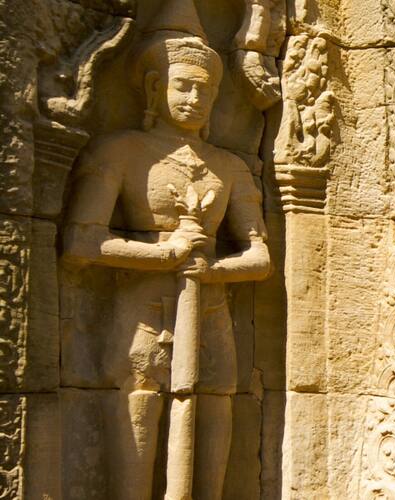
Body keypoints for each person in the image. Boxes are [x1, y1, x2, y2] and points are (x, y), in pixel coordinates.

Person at [62, 1, 269, 497]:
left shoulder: (230, 166)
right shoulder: (119, 151)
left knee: (214, 417)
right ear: (156, 87)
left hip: (211, 313)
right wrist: (163, 254)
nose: (196, 98)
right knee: (139, 408)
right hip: (143, 315)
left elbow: (260, 257)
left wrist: (213, 268)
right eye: (184, 86)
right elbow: (80, 242)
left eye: (207, 90)